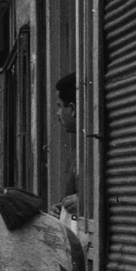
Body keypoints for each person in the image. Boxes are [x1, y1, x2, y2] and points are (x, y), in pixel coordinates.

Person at [56, 72, 79, 215]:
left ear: (73, 109)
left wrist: (86, 201)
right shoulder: (75, 154)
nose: (58, 113)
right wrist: (59, 209)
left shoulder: (96, 148)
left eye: (59, 106)